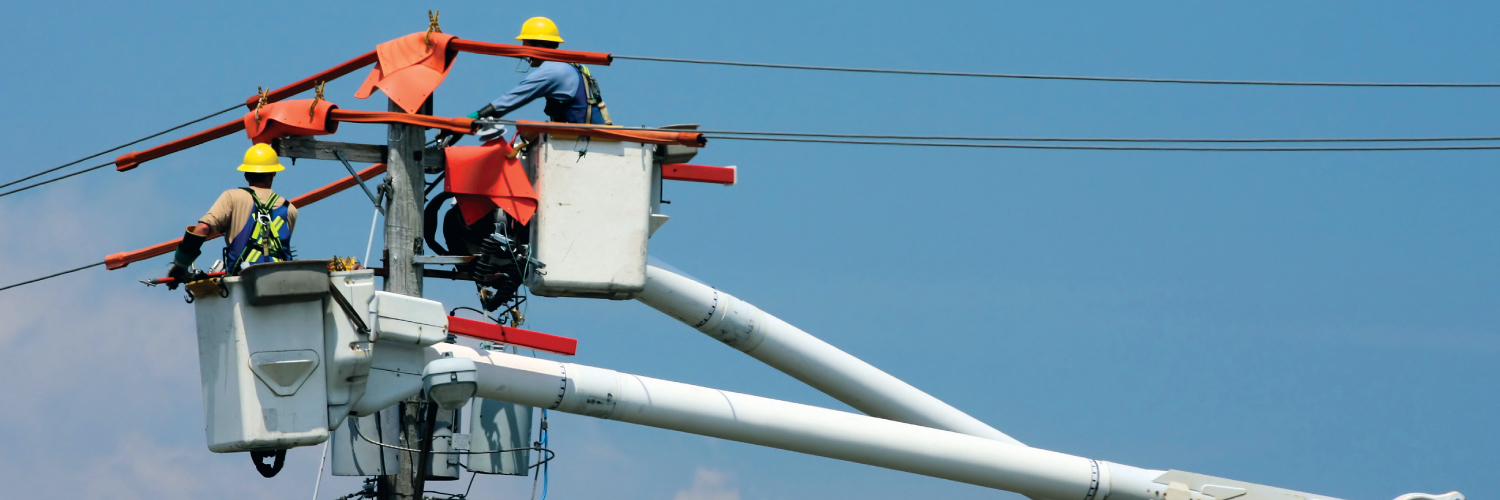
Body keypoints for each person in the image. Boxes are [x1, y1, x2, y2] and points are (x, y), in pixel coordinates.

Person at [438, 16, 611, 145]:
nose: (522, 50)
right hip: (591, 140)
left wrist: (466, 121)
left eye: (525, 44)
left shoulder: (552, 71)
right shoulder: (572, 66)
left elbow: (509, 100)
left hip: (584, 144)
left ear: (538, 46)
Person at [168, 143, 298, 286]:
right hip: (281, 283)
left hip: (243, 283)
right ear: (273, 173)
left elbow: (202, 229)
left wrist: (180, 265)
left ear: (245, 174)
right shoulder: (289, 209)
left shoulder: (232, 197)